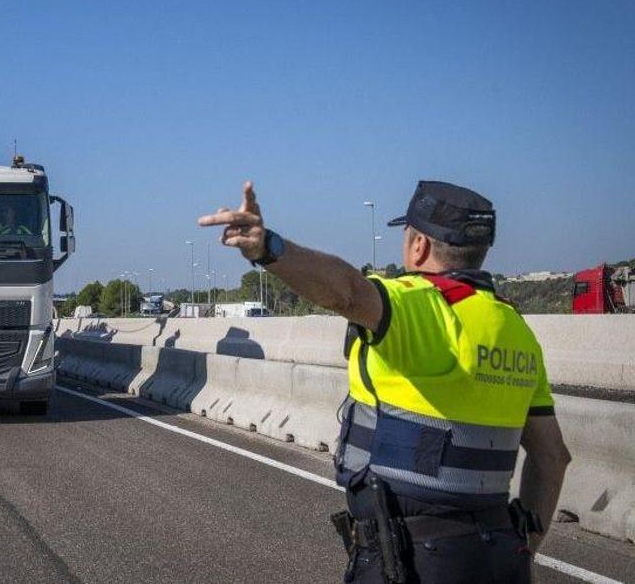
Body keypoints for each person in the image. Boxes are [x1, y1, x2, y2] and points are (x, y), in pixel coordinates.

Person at [198, 180, 572, 584]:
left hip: (417, 562)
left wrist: (267, 248)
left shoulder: (423, 305)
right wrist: (523, 550)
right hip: (501, 557)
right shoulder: (516, 330)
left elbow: (348, 292)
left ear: (420, 247)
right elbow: (552, 457)